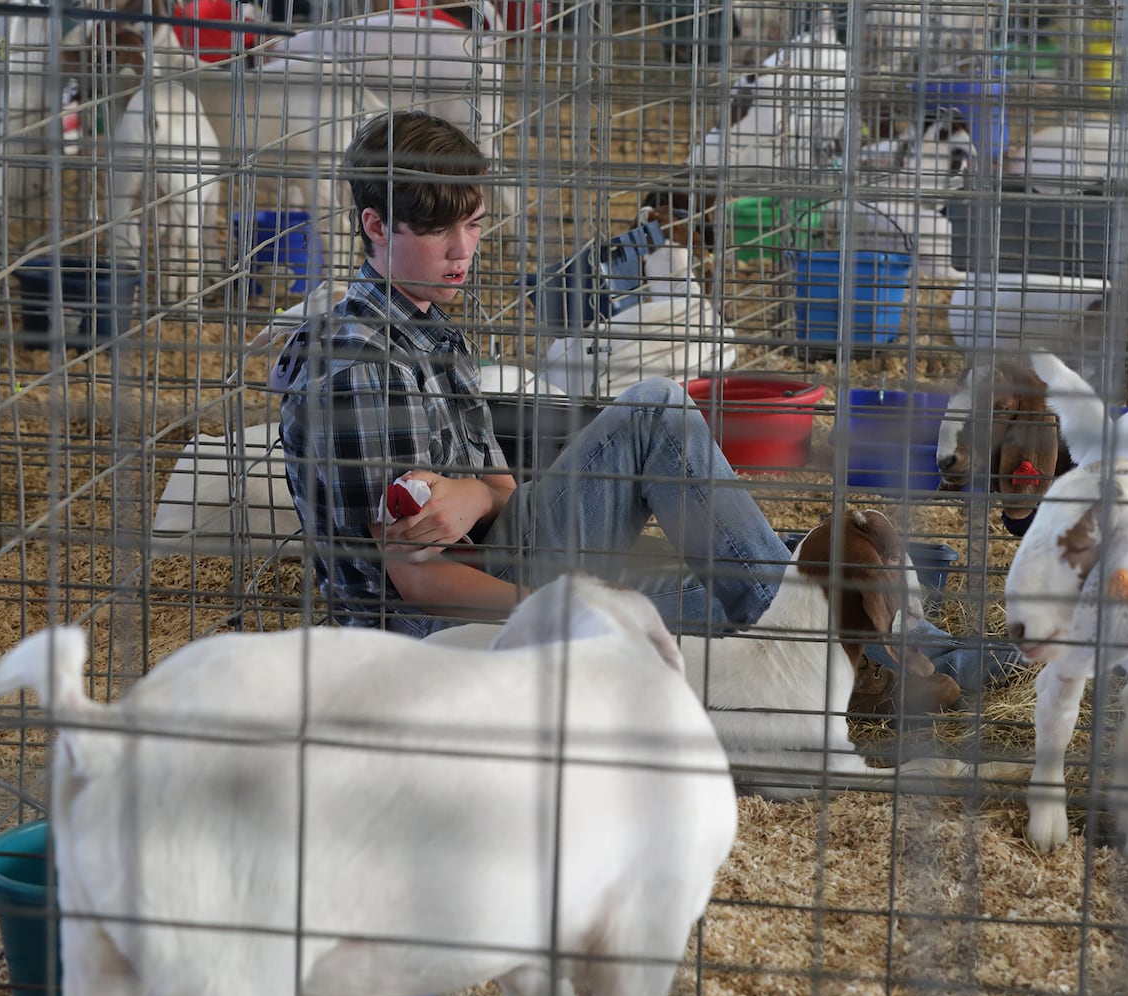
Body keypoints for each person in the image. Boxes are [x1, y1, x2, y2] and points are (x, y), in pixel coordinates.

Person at [272, 108, 795, 639]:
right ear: (376, 226)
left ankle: (800, 619)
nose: (463, 250)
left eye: (472, 224)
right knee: (745, 589)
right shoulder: (362, 365)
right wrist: (567, 612)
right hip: (430, 627)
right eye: (436, 230)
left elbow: (503, 492)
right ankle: (809, 633)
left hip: (501, 557)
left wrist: (473, 495)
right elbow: (421, 584)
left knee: (720, 558)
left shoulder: (426, 324)